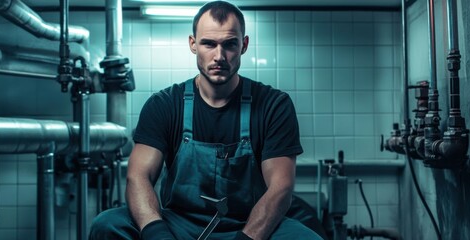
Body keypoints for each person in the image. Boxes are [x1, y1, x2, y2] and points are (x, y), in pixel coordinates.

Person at [89, 1, 323, 239]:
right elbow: (138, 177)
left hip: (249, 225)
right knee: (108, 224)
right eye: (209, 44)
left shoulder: (273, 105)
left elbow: (280, 188)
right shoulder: (164, 104)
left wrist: (246, 238)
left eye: (230, 44)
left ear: (244, 45)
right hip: (178, 225)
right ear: (193, 44)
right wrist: (157, 232)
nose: (219, 56)